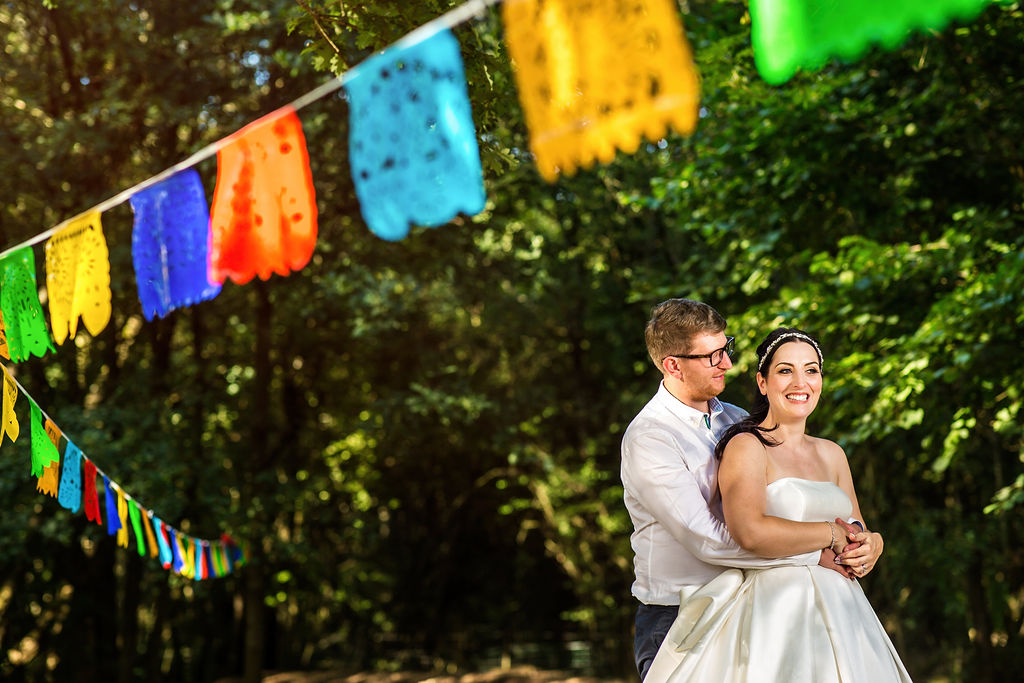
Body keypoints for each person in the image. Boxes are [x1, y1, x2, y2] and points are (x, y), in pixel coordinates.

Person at [621, 300, 878, 680]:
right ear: (672, 365)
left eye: (726, 348)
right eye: (711, 356)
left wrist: (867, 543)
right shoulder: (651, 437)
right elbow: (706, 538)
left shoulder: (737, 419)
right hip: (681, 616)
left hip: (758, 604)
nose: (726, 363)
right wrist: (817, 551)